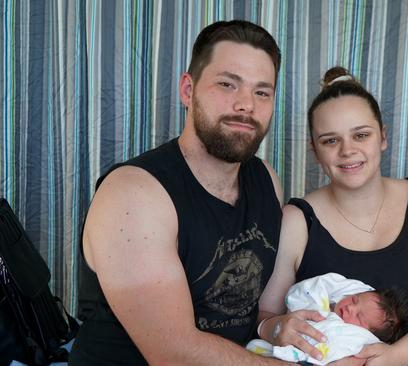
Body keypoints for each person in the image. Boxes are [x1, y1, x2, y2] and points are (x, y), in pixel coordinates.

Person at [70, 20, 291, 365]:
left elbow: (251, 312)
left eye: (262, 92)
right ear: (187, 90)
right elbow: (175, 354)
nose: (246, 104)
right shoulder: (133, 194)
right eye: (227, 84)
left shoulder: (266, 181)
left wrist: (277, 329)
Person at [256, 66, 408, 366]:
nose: (348, 151)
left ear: (382, 137)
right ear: (315, 151)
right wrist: (275, 328)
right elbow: (266, 316)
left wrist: (392, 357)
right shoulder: (298, 221)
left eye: (361, 135)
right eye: (330, 140)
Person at [247, 273, 408, 364]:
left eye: (358, 317)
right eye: (354, 300)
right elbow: (304, 293)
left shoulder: (353, 337)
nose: (350, 308)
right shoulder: (325, 298)